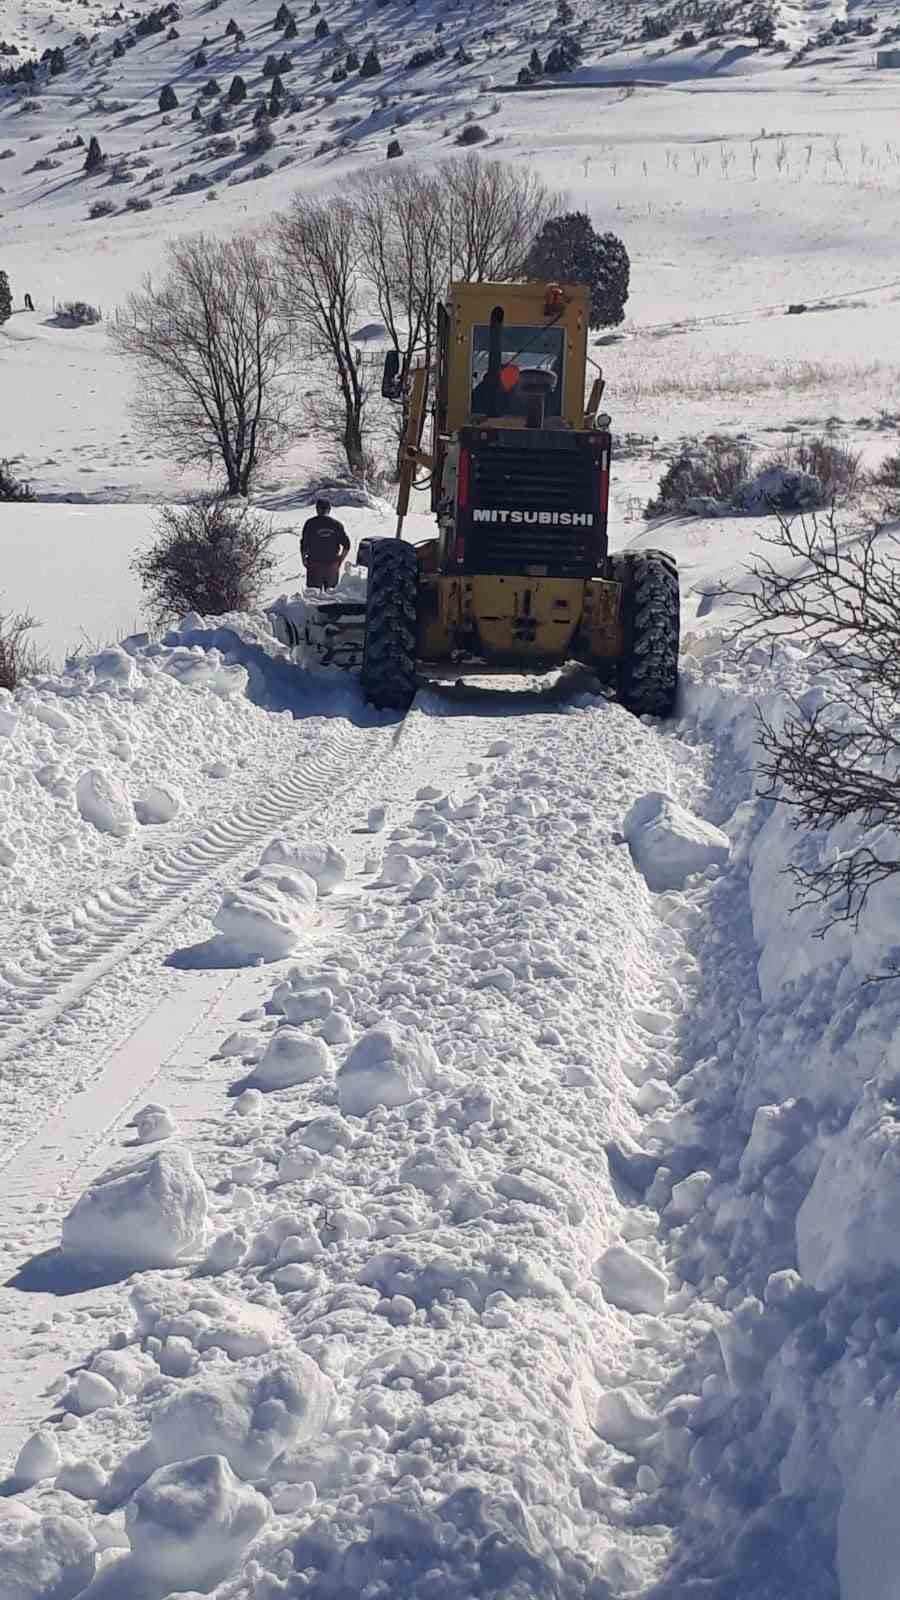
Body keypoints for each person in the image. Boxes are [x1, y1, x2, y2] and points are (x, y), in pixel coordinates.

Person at [300, 499, 350, 590]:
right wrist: (340, 560)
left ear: (317, 509)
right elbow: (347, 545)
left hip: (314, 565)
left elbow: (304, 544)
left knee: (313, 598)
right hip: (332, 565)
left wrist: (304, 559)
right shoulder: (336, 525)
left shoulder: (310, 524)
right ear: (329, 509)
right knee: (331, 597)